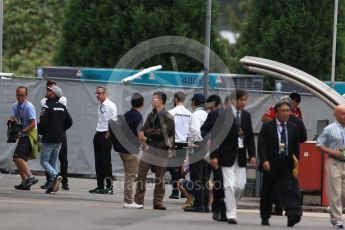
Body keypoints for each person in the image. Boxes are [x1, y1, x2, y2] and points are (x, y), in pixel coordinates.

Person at [203, 90, 256, 224]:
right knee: (229, 186)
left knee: (240, 186)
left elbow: (249, 136)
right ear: (234, 100)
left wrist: (253, 154)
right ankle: (231, 214)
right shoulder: (223, 115)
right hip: (225, 155)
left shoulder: (246, 116)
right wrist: (214, 156)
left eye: (245, 100)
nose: (244, 102)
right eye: (241, 100)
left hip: (241, 155)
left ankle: (227, 202)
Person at [258, 98, 302, 227]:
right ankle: (265, 216)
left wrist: (296, 161)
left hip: (287, 163)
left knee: (290, 189)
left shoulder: (293, 127)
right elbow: (262, 145)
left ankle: (292, 215)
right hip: (271, 163)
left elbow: (296, 146)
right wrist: (264, 160)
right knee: (268, 191)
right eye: (283, 111)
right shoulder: (267, 126)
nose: (286, 113)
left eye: (288, 111)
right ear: (276, 112)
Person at [134, 91, 175, 210]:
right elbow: (143, 130)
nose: (152, 101)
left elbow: (162, 133)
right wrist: (149, 133)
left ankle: (158, 201)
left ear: (161, 101)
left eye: (154, 99)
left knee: (160, 177)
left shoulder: (168, 117)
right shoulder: (151, 115)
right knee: (141, 174)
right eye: (152, 98)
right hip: (150, 148)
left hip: (162, 149)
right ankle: (138, 200)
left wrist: (149, 133)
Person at [39, 86, 73, 194]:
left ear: (53, 94)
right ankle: (53, 186)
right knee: (53, 162)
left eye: (49, 90)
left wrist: (40, 133)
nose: (47, 91)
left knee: (44, 161)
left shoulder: (46, 106)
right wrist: (60, 130)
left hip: (49, 138)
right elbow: (70, 122)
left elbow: (43, 124)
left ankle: (56, 175)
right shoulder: (62, 106)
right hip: (60, 138)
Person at [316, 105, 345, 229]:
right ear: (336, 115)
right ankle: (337, 219)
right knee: (335, 192)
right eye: (343, 113)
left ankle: (333, 208)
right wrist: (332, 152)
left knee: (343, 193)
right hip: (334, 162)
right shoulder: (329, 129)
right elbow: (318, 145)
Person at [116, 93, 144, 209]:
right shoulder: (138, 117)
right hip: (131, 151)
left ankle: (128, 200)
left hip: (122, 149)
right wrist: (146, 144)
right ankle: (128, 201)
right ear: (142, 104)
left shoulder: (126, 115)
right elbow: (140, 135)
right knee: (130, 176)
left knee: (129, 175)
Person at [89, 86, 117, 195]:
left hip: (106, 135)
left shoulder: (110, 105)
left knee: (106, 162)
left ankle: (109, 187)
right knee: (98, 162)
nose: (97, 95)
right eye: (96, 93)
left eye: (99, 93)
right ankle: (100, 186)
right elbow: (101, 121)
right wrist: (96, 134)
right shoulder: (100, 105)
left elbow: (113, 122)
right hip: (99, 134)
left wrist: (107, 135)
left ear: (105, 93)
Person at [10, 86, 39, 190]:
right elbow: (12, 119)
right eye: (18, 95)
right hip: (23, 134)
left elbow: (33, 123)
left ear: (26, 96)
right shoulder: (15, 106)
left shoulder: (29, 107)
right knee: (17, 158)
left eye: (22, 95)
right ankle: (25, 182)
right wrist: (12, 129)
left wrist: (21, 131)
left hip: (30, 134)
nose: (20, 97)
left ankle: (31, 177)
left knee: (18, 157)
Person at [184, 93, 209, 212]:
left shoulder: (195, 115)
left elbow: (194, 130)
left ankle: (198, 204)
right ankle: (205, 204)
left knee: (196, 177)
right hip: (207, 148)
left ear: (194, 103)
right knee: (204, 177)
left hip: (197, 147)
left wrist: (192, 143)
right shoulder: (207, 114)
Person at [168, 91, 191, 199]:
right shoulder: (189, 113)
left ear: (176, 99)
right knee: (183, 167)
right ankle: (183, 189)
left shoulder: (171, 112)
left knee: (174, 168)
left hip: (174, 142)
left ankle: (175, 190)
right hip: (185, 142)